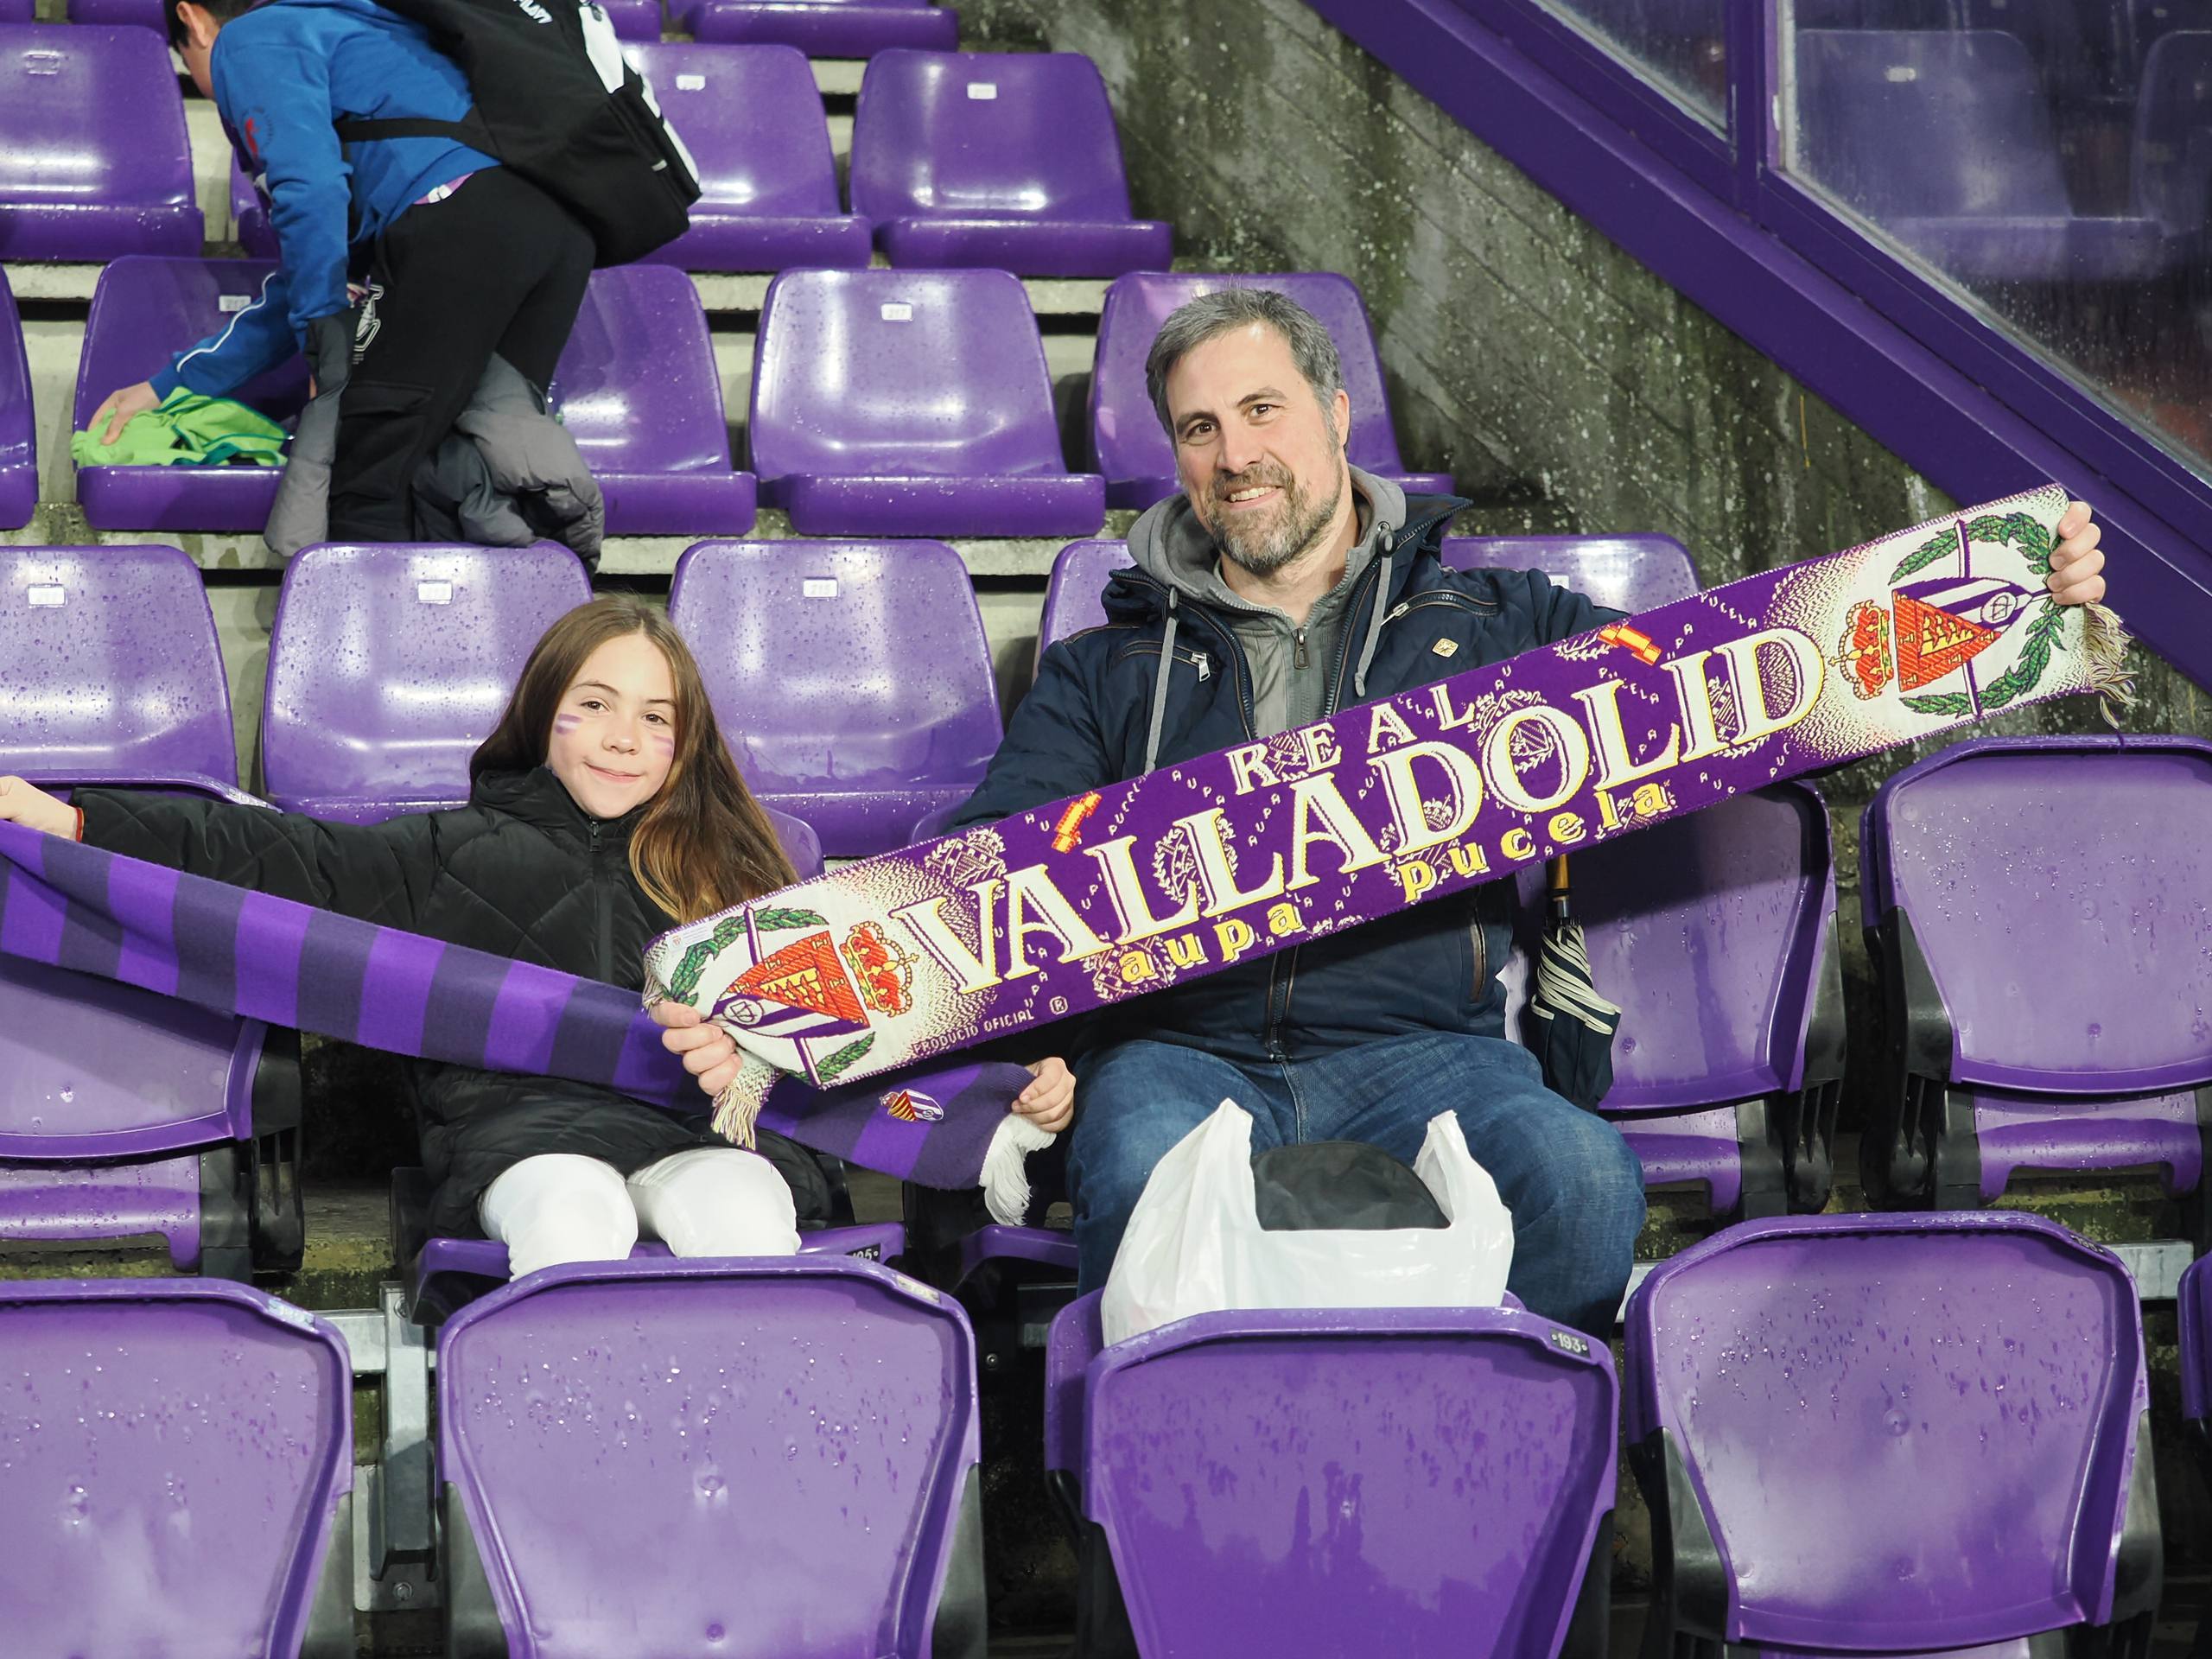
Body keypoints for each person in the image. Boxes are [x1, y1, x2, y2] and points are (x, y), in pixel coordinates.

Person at [933, 288, 2111, 1336]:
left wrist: (2020, 599)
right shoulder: (1108, 668)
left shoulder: (1503, 626)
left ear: (1337, 414)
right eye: (1201, 429)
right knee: (1134, 1168)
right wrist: (1042, 1038)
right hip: (1179, 1052)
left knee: (1584, 1181)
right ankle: (1181, 1519)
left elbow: (1751, 684)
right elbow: (982, 875)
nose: (1237, 454)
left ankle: (1509, 1490)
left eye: (1262, 410)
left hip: (1425, 1046)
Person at [0, 597, 1077, 1273]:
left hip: (714, 1137)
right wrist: (77, 819)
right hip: (524, 1140)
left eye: (655, 718)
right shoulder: (443, 850)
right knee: (574, 1208)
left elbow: (890, 1014)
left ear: (686, 743)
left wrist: (1011, 1086)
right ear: (541, 713)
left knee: (745, 1209)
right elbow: (269, 858)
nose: (623, 737)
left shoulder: (751, 873)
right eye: (595, 704)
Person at [89, 0, 597, 543]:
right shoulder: (363, 31)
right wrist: (173, 383)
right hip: (558, 229)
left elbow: (310, 191)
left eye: (185, 61)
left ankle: (373, 624)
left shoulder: (251, 38)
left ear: (193, 19)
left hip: (461, 220)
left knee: (365, 475)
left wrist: (324, 338)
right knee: (478, 453)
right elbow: (318, 267)